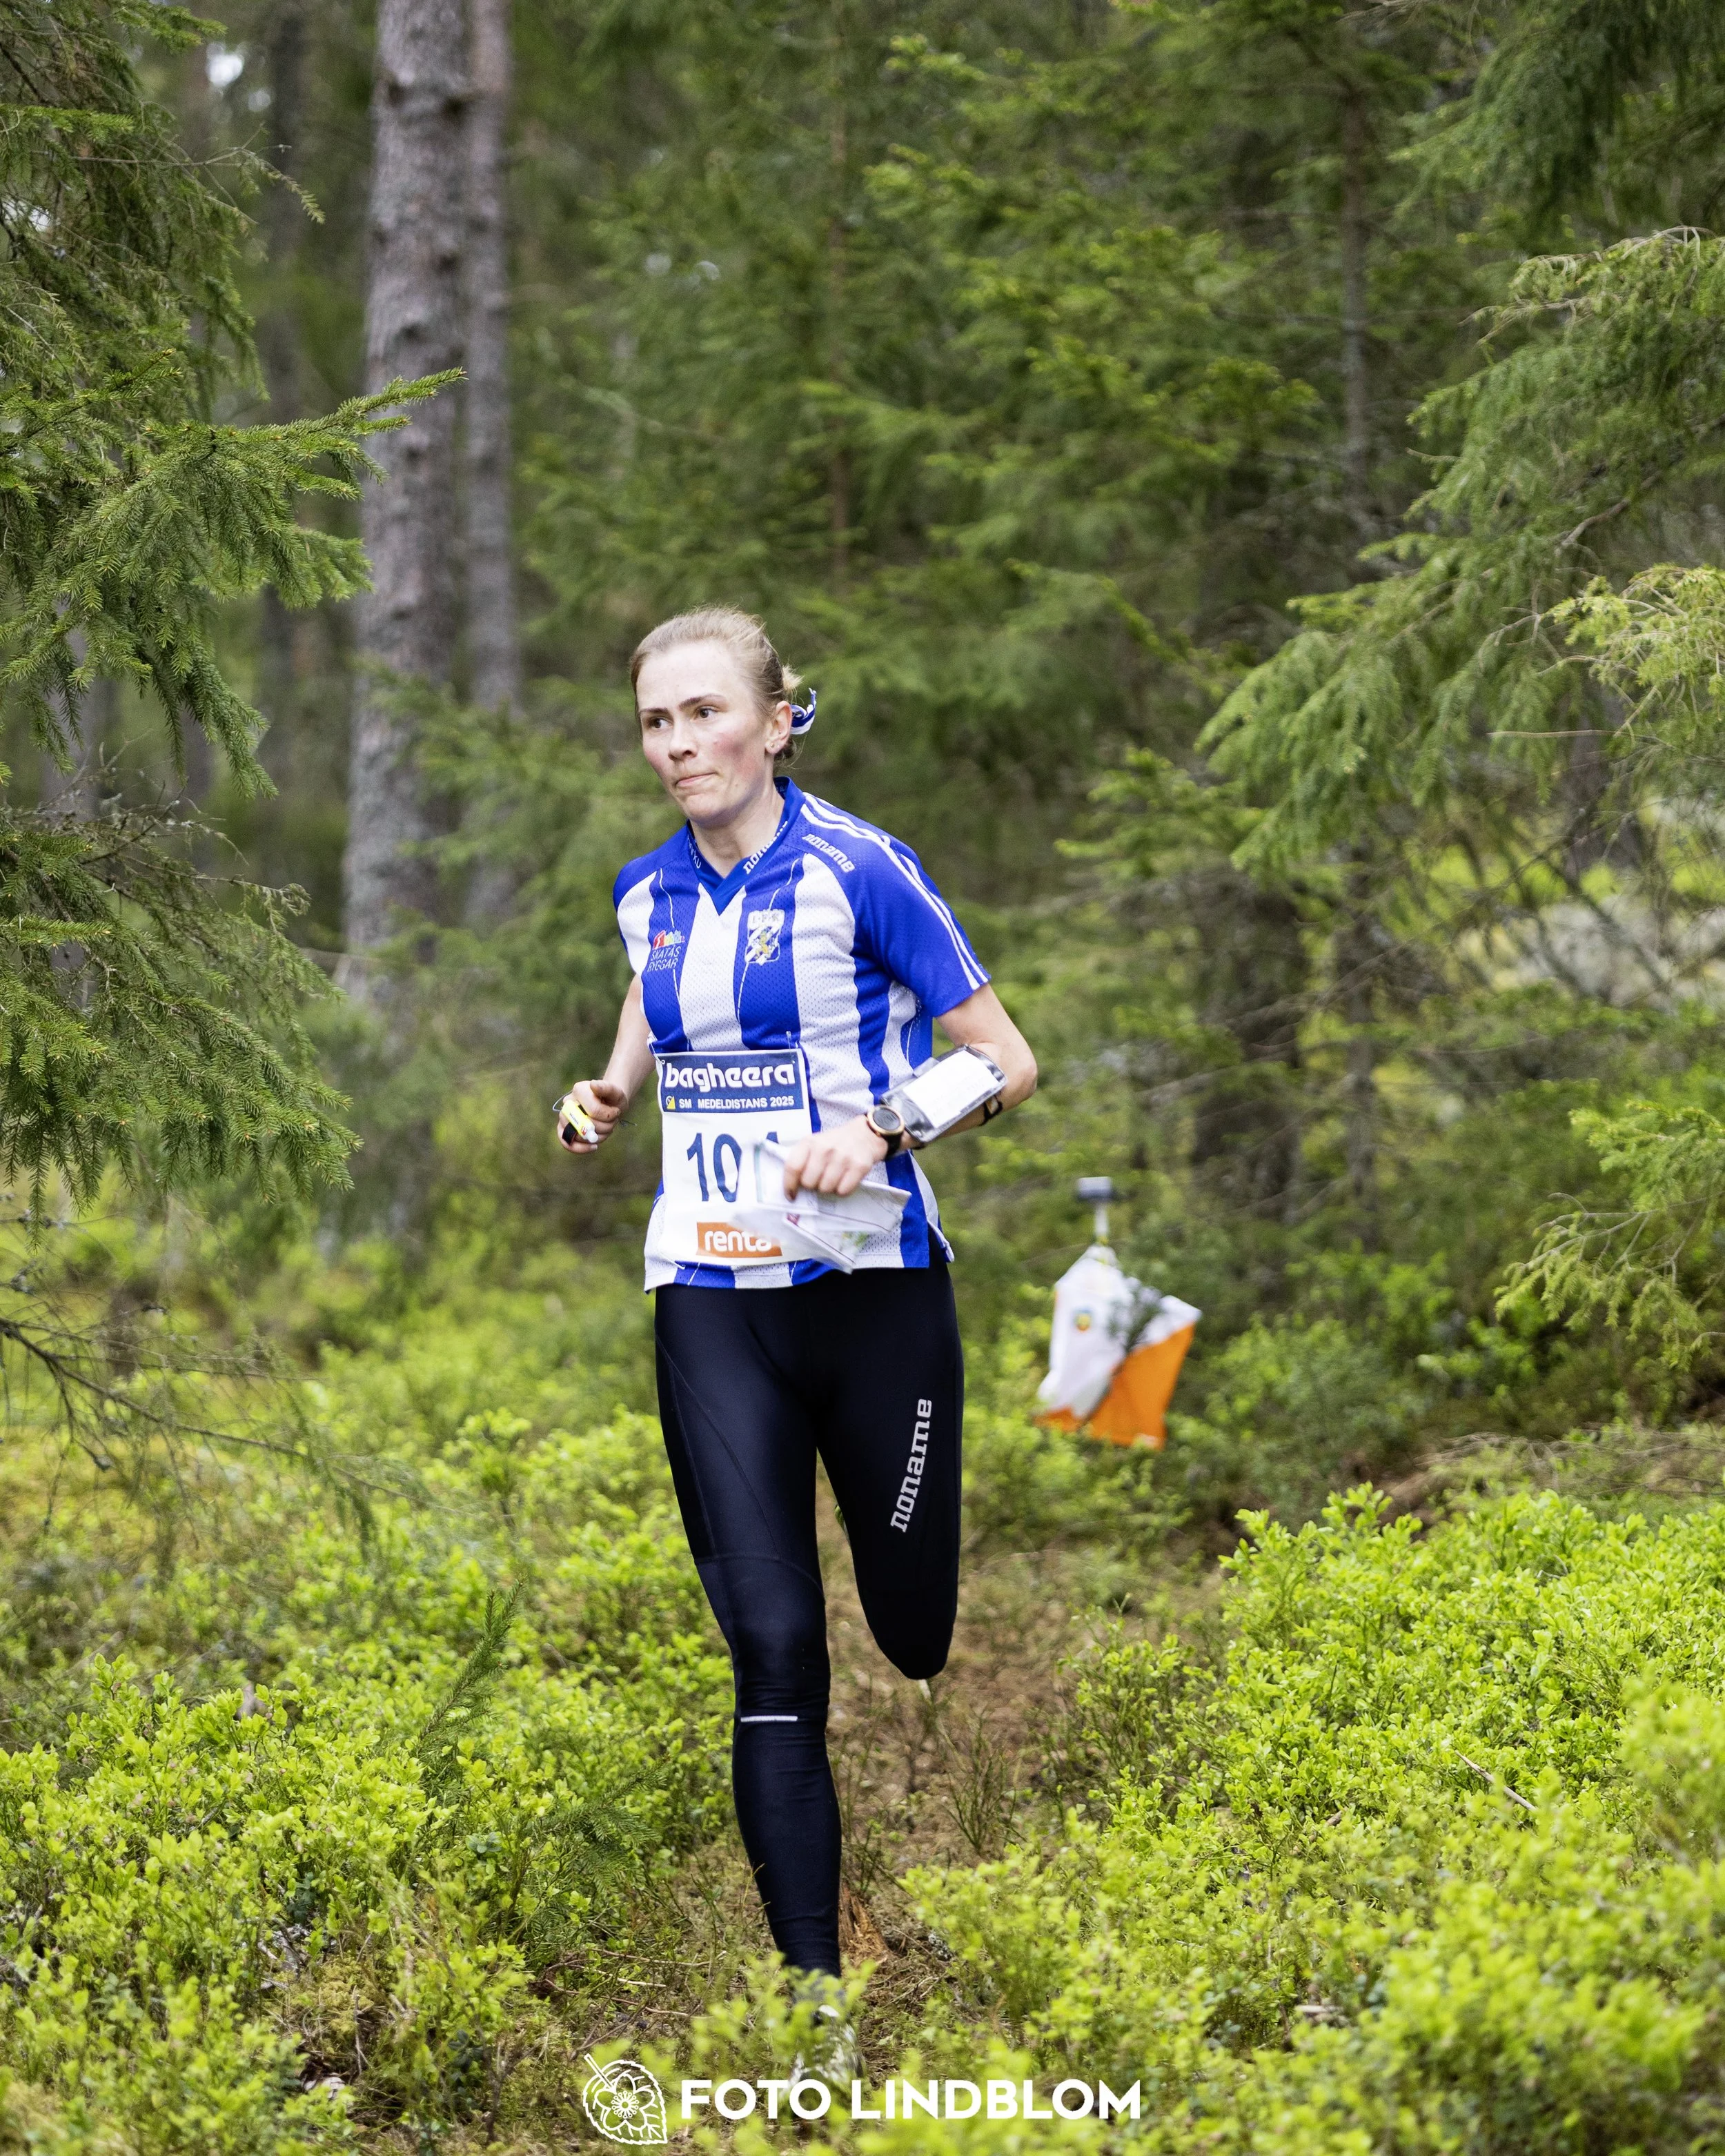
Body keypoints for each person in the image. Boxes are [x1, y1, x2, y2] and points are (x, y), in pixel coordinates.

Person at [555, 607, 1036, 1984]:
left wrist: (886, 1124)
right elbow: (650, 1027)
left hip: (875, 1293)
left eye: (704, 712)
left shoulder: (859, 869)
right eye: (656, 721)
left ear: (773, 722)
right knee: (771, 1645)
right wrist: (603, 1098)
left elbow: (1006, 1059)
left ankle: (909, 1592)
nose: (678, 743)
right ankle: (812, 1996)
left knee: (912, 1625)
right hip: (710, 1296)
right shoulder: (646, 895)